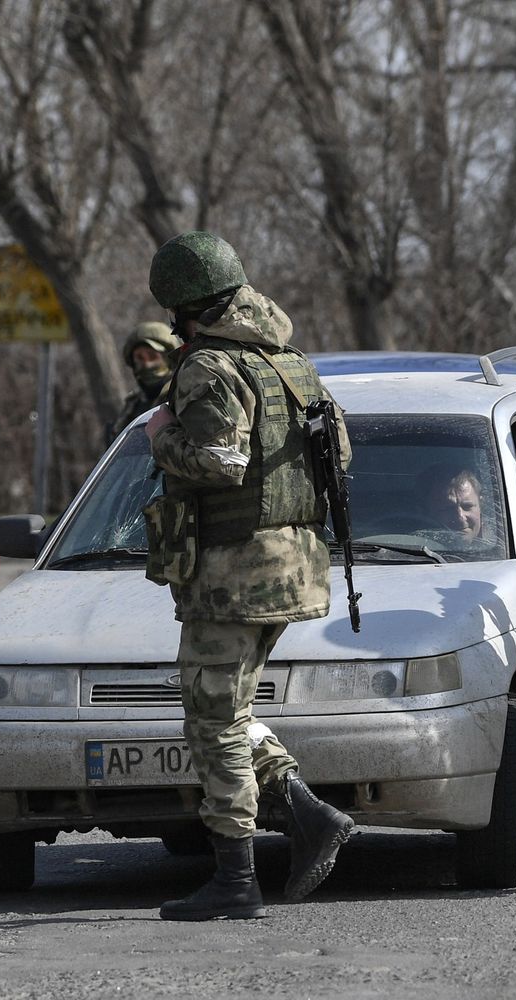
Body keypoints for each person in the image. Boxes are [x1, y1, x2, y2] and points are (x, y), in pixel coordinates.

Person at [142, 230, 356, 920]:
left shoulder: (209, 366)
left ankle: (236, 876)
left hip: (235, 568)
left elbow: (221, 462)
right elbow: (339, 455)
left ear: (183, 309)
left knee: (212, 721)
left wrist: (160, 438)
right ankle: (308, 813)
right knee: (229, 711)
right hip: (291, 562)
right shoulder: (289, 361)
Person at [104, 321, 182, 444]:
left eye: (152, 356)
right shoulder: (133, 404)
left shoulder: (180, 394)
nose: (146, 364)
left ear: (168, 359)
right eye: (139, 358)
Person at [424, 465, 486, 541]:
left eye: (467, 506)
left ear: (481, 506)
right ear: (428, 510)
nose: (460, 517)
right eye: (447, 508)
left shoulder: (500, 546)